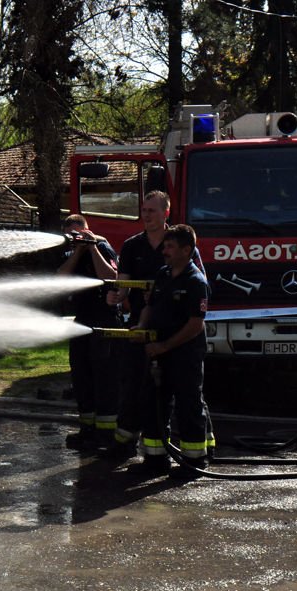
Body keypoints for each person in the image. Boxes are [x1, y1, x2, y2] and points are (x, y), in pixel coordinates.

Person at [131, 224, 213, 477]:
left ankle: (194, 462)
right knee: (155, 403)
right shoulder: (163, 274)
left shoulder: (195, 282)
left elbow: (195, 325)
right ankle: (155, 460)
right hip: (159, 351)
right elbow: (150, 306)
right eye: (164, 245)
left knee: (188, 404)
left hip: (184, 353)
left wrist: (164, 346)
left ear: (186, 250)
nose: (164, 250)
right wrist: (142, 326)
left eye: (170, 247)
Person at [104, 190, 169, 457]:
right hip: (138, 329)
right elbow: (123, 284)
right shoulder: (132, 246)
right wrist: (115, 296)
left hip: (170, 328)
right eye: (144, 210)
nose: (146, 215)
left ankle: (165, 444)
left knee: (169, 389)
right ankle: (125, 442)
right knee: (131, 383)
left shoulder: (178, 243)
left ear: (166, 212)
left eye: (152, 210)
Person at [57, 214, 122, 451]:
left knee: (104, 377)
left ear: (87, 230)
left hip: (105, 320)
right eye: (72, 236)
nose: (76, 239)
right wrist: (77, 251)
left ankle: (106, 435)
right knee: (81, 376)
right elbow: (60, 279)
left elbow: (112, 277)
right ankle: (87, 430)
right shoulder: (71, 253)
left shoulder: (103, 247)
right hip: (82, 320)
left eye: (79, 233)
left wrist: (92, 247)